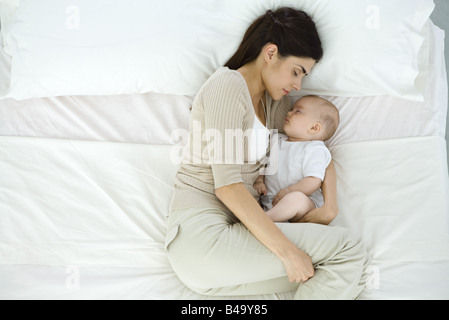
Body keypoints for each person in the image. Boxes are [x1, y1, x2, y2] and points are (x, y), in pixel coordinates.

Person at [166, 7, 369, 299]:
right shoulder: (227, 85)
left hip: (231, 243)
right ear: (271, 53)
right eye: (297, 72)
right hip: (202, 237)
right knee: (347, 250)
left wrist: (330, 207)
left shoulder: (275, 106)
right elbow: (229, 188)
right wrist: (287, 251)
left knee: (334, 273)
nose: (298, 85)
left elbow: (315, 146)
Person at [254, 95, 340, 223]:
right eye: (292, 109)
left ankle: (261, 220)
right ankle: (266, 218)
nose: (289, 112)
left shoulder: (315, 149)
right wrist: (260, 181)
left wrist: (290, 191)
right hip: (270, 201)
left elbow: (313, 180)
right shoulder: (276, 140)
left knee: (296, 199)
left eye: (297, 111)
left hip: (305, 203)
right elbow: (265, 165)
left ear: (314, 128)